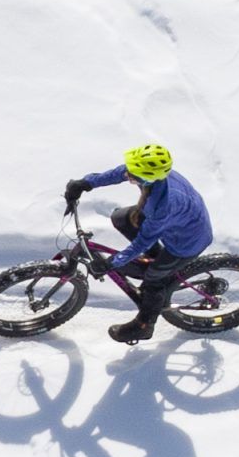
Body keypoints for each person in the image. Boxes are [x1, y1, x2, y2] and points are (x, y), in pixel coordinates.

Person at [63, 144, 212, 344]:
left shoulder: (163, 204)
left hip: (185, 241)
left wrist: (113, 262)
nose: (128, 175)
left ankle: (144, 325)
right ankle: (154, 261)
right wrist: (86, 183)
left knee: (153, 279)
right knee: (121, 218)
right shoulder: (151, 175)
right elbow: (119, 173)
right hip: (171, 221)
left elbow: (144, 240)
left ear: (149, 177)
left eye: (134, 174)